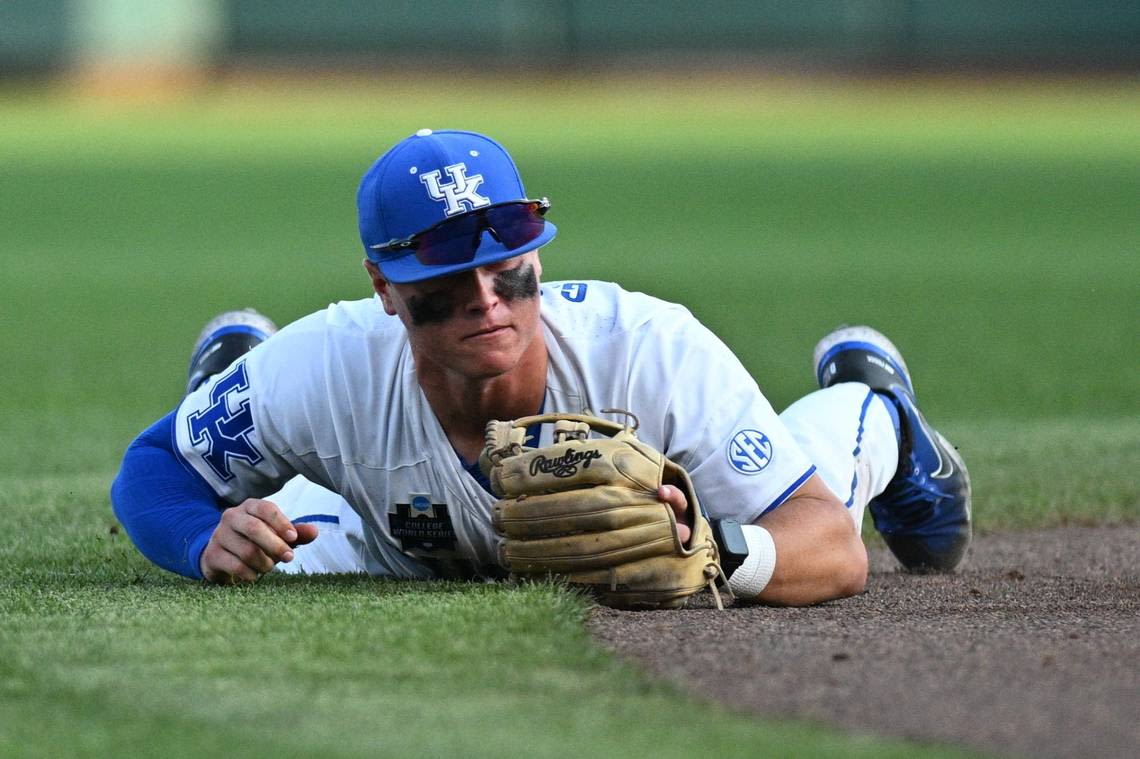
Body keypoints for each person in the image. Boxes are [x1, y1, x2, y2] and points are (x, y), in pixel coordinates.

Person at [111, 128, 971, 606]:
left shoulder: (648, 350)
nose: (488, 298)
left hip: (688, 500)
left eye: (509, 263)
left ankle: (876, 405)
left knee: (818, 478)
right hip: (389, 539)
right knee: (269, 542)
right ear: (384, 286)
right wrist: (198, 536)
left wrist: (717, 547)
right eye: (448, 277)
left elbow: (831, 546)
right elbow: (152, 469)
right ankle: (228, 402)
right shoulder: (329, 363)